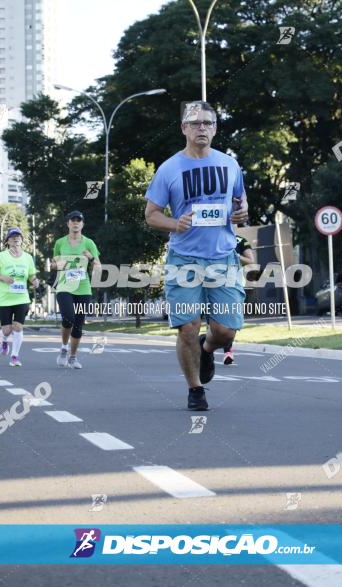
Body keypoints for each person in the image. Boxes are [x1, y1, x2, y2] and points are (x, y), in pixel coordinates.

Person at [144, 100, 249, 411]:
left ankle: (208, 349)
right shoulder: (169, 168)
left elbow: (241, 206)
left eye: (208, 122)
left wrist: (241, 213)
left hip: (223, 258)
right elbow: (151, 214)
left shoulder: (230, 165)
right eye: (195, 122)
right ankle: (195, 389)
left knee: (225, 331)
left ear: (215, 129)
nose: (202, 127)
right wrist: (176, 223)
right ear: (184, 129)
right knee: (188, 327)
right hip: (184, 259)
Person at [53, 210, 101, 369]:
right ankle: (63, 349)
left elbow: (98, 266)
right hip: (64, 286)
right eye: (72, 220)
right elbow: (53, 263)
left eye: (78, 220)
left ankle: (73, 358)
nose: (75, 223)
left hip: (83, 287)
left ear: (82, 224)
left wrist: (91, 258)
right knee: (68, 318)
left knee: (79, 324)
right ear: (68, 223)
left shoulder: (89, 243)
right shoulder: (60, 243)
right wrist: (57, 265)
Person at [0, 227, 40, 367]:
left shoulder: (28, 257)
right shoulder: (1, 256)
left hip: (22, 298)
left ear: (22, 240)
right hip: (5, 298)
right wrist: (3, 278)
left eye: (18, 236)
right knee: (7, 329)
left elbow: (31, 275)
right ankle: (4, 340)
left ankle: (14, 356)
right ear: (8, 241)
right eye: (13, 237)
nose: (16, 239)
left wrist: (35, 281)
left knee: (18, 327)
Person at [221, 232, 255, 365]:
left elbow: (251, 261)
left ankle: (228, 351)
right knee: (214, 317)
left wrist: (236, 256)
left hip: (235, 284)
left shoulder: (240, 240)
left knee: (232, 319)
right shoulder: (211, 236)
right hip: (213, 282)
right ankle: (207, 351)